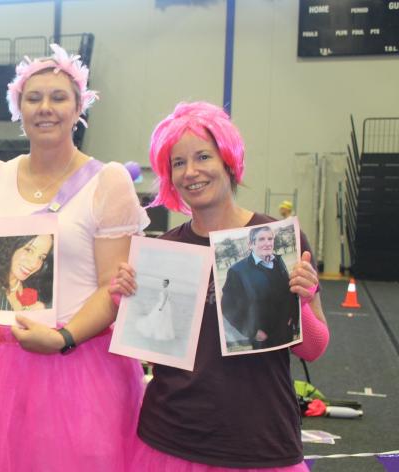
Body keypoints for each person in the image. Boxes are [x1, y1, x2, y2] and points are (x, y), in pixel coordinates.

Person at [0, 44, 148, 472]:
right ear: (18, 107)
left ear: (79, 106)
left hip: (77, 365)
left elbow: (112, 286)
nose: (46, 108)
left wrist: (63, 339)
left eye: (59, 97)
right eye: (34, 98)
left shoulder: (108, 182)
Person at [111, 101, 329, 471]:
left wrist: (301, 304)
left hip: (259, 440)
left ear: (229, 160)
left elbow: (314, 348)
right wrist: (127, 300)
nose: (191, 172)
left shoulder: (280, 241)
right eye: (178, 163)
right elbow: (150, 349)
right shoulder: (163, 250)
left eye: (203, 157)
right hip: (169, 438)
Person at [221, 225, 298, 349]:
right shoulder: (237, 271)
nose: (267, 243)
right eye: (262, 239)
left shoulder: (278, 261)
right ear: (251, 244)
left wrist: (291, 318)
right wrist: (252, 332)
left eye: (270, 238)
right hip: (263, 340)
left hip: (285, 332)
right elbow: (227, 307)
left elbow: (288, 293)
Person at [0, 234, 54, 311]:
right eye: (28, 250)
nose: (34, 264)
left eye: (41, 257)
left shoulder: (35, 290)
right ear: (11, 245)